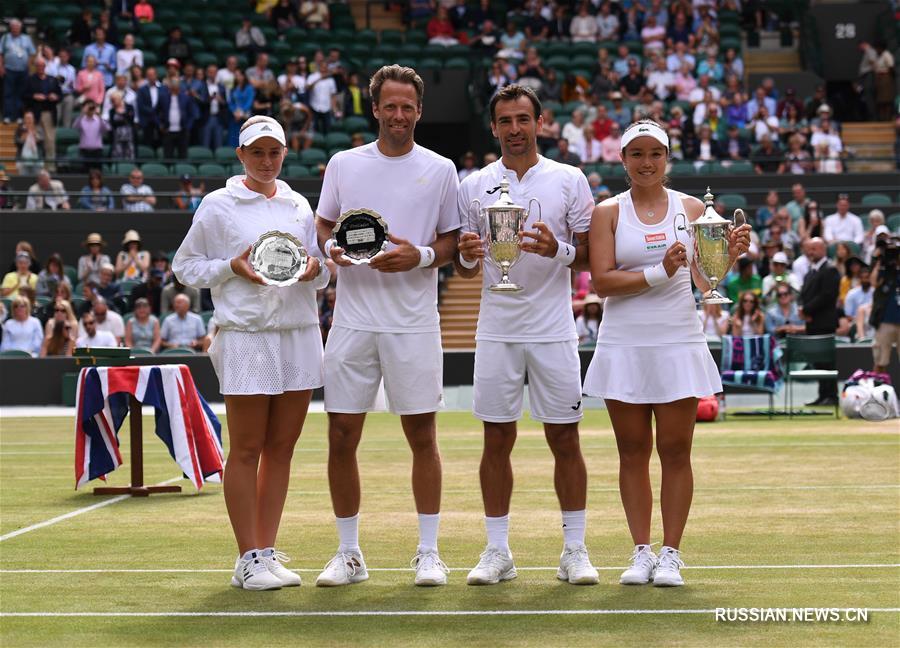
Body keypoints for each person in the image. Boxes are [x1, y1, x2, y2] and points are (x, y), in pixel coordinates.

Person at [583, 119, 750, 587]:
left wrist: (729, 256)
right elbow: (602, 281)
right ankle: (641, 552)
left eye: (654, 153)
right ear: (623, 160)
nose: (646, 162)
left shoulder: (692, 208)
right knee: (632, 452)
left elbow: (703, 280)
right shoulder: (607, 213)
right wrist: (660, 271)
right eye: (636, 154)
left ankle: (671, 554)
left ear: (667, 158)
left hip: (677, 339)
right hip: (624, 343)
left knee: (676, 451)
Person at [314, 65, 460, 588]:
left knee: (422, 434)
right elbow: (325, 225)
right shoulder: (343, 163)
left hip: (415, 321)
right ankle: (349, 554)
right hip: (352, 319)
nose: (399, 115)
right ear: (374, 108)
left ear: (419, 111)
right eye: (389, 106)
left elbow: (450, 242)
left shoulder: (442, 169)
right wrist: (333, 250)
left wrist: (416, 257)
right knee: (341, 433)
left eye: (408, 107)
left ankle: (428, 552)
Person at [173, 115, 328, 590]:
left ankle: (265, 550)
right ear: (240, 155)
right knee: (245, 448)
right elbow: (186, 267)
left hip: (299, 330)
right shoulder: (218, 205)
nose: (266, 160)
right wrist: (232, 268)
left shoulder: (300, 204)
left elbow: (321, 271)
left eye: (274, 151)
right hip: (246, 334)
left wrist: (312, 271)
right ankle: (247, 557)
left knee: (282, 448)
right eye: (256, 152)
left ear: (285, 154)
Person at [455, 84, 599, 586]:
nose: (514, 129)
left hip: (554, 327)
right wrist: (470, 252)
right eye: (505, 121)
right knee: (496, 437)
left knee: (565, 436)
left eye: (523, 119)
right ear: (493, 128)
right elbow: (468, 267)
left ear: (540, 123)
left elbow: (588, 255)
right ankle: (498, 551)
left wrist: (554, 249)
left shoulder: (569, 179)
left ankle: (574, 549)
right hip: (496, 328)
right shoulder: (473, 185)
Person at [798, 237, 841, 406]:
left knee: (827, 361)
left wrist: (807, 310)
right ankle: (823, 395)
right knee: (818, 361)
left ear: (823, 249)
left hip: (824, 323)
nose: (811, 252)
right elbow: (804, 295)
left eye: (814, 248)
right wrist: (802, 310)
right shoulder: (810, 272)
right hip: (812, 323)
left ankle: (831, 395)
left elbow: (827, 296)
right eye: (808, 249)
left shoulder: (830, 270)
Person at [1, 19, 37, 124]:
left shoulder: (27, 38)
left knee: (21, 94)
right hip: (9, 70)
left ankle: (19, 116)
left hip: (23, 71)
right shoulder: (5, 38)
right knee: (8, 94)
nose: (16, 29)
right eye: (14, 27)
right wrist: (1, 66)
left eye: (17, 27)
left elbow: (32, 53)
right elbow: (1, 54)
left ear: (20, 28)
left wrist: (29, 66)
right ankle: (7, 116)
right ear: (10, 28)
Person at [15, 111, 46, 176]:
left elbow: (42, 140)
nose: (28, 120)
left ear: (33, 119)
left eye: (30, 118)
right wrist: (23, 138)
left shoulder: (39, 128)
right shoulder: (20, 129)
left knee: (36, 180)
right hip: (23, 160)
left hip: (36, 160)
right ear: (24, 119)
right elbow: (16, 142)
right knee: (24, 181)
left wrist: (35, 135)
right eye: (27, 118)